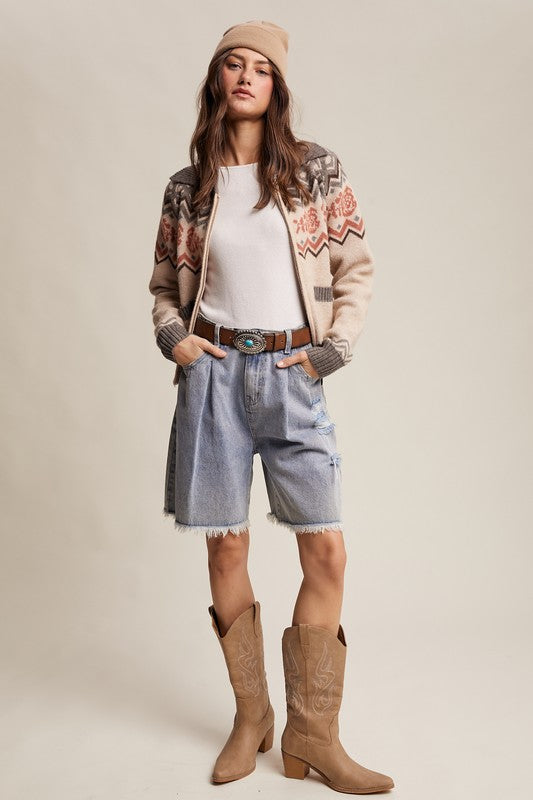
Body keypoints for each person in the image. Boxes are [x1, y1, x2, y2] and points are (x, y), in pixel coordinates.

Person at [148, 19, 395, 794]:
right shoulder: (188, 187)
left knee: (326, 552)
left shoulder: (314, 171)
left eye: (260, 66)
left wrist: (333, 349)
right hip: (214, 378)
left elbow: (355, 268)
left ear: (277, 85)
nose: (246, 76)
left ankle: (312, 736)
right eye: (233, 63)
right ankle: (251, 716)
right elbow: (164, 288)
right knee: (225, 550)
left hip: (291, 375)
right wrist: (175, 339)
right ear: (217, 80)